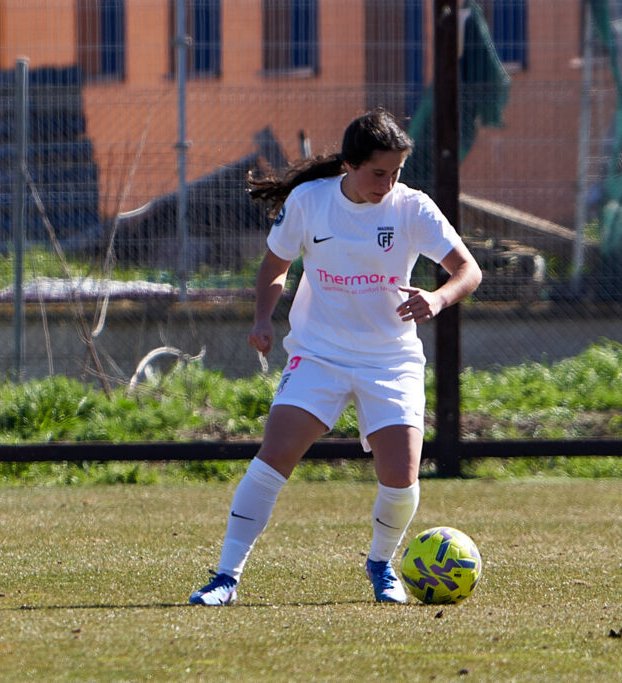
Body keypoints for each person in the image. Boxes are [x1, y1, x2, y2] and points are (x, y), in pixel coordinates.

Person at [189, 108, 482, 605]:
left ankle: (381, 565)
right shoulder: (310, 201)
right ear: (349, 164)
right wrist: (263, 319)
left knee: (401, 477)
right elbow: (275, 265)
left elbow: (467, 270)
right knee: (273, 458)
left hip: (389, 360)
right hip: (318, 353)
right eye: (378, 173)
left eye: (396, 172)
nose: (388, 184)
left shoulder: (413, 208)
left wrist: (437, 298)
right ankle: (226, 577)